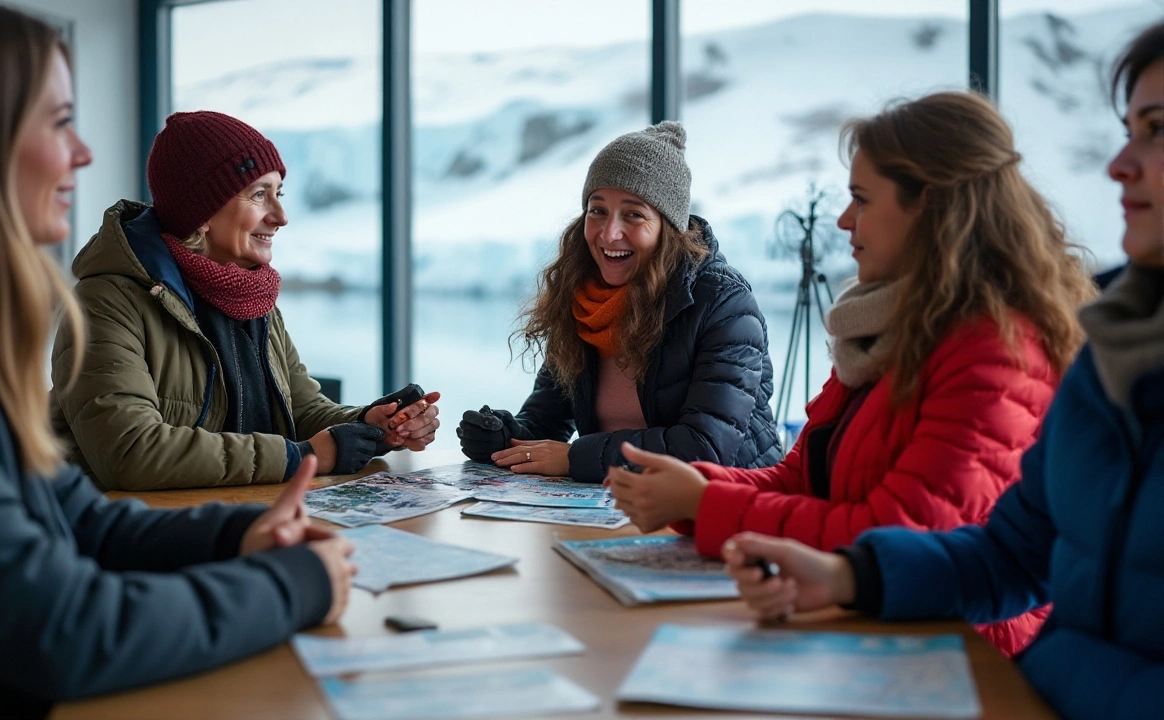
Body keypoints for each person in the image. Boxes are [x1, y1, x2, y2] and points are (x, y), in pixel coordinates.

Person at [0, 2, 355, 716]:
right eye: (60, 121)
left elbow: (82, 520)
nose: (85, 153)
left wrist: (240, 534)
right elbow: (60, 629)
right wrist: (295, 585)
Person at [726, 21, 1164, 720]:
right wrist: (852, 575)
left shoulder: (999, 345)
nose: (1119, 163)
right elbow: (1014, 555)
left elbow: (912, 521)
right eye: (1131, 129)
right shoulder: (1112, 344)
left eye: (1157, 130)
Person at [608, 91, 1097, 657]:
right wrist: (692, 488)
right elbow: (799, 481)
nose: (844, 220)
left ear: (933, 209)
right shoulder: (890, 325)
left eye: (861, 200)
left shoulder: (997, 352)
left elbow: (896, 539)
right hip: (870, 630)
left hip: (957, 657)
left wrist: (703, 503)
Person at [50, 110, 440, 490]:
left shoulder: (254, 296)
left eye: (279, 193)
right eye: (259, 195)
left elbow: (302, 412)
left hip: (239, 522)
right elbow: (131, 453)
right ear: (202, 212)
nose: (281, 216)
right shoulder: (106, 303)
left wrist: (372, 424)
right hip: (133, 540)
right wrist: (303, 457)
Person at [456, 122, 782, 484]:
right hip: (623, 503)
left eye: (634, 214)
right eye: (597, 211)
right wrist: (500, 436)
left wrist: (574, 457)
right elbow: (547, 421)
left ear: (668, 227)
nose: (610, 233)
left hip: (728, 507)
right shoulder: (585, 300)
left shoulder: (723, 305)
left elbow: (703, 448)